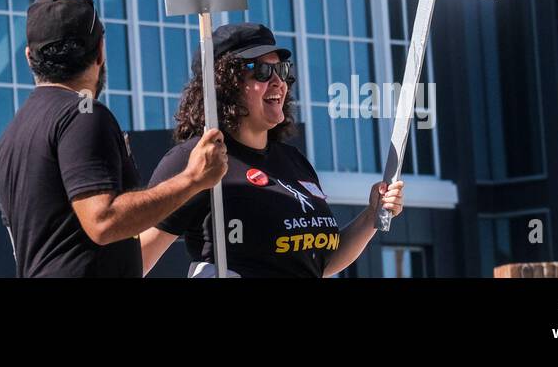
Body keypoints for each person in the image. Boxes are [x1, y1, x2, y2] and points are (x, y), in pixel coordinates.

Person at [0, 0, 227, 277]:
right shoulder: (82, 114)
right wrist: (193, 179)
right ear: (100, 49)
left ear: (29, 57)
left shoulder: (10, 138)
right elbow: (103, 221)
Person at [140, 22, 405, 278]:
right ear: (225, 85)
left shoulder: (293, 160)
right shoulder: (197, 159)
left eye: (283, 70)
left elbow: (320, 265)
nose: (279, 81)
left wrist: (372, 215)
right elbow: (136, 260)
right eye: (262, 72)